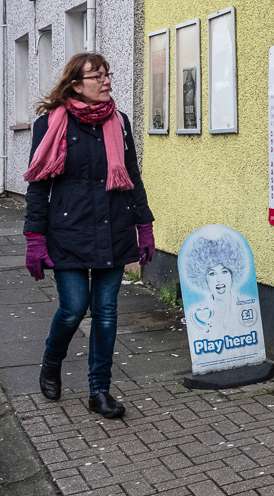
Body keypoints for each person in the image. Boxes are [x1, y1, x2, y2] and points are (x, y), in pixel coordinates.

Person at [23, 53, 155, 419]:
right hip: (69, 232)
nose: (106, 81)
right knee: (73, 309)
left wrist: (144, 226)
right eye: (97, 76)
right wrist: (34, 238)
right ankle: (52, 362)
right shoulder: (51, 124)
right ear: (76, 85)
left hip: (114, 229)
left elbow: (132, 177)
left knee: (106, 312)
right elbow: (38, 186)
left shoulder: (119, 122)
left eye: (107, 74)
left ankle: (99, 390)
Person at [184, 234, 250, 337]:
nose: (219, 279)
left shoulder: (246, 306)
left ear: (232, 274)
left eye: (224, 271)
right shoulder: (199, 313)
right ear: (204, 278)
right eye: (212, 273)